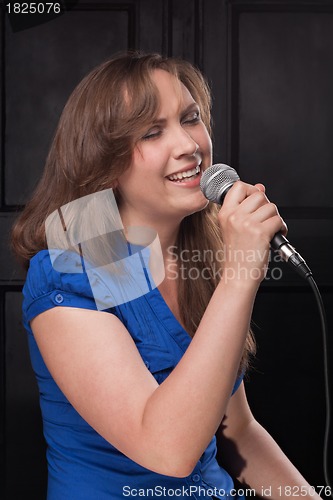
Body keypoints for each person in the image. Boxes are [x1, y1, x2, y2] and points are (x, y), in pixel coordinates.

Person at [11, 52, 322, 499]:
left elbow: (238, 434)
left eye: (191, 118)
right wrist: (241, 273)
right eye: (153, 132)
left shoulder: (199, 249)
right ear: (104, 156)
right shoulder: (80, 255)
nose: (189, 145)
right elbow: (167, 449)